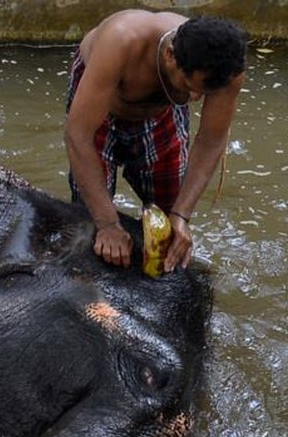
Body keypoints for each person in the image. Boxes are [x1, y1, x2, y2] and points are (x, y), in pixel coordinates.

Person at [64, 12, 247, 272]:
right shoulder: (122, 41)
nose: (195, 98)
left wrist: (181, 215)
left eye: (204, 93)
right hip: (100, 112)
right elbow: (78, 136)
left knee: (168, 229)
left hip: (162, 112)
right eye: (189, 85)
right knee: (91, 222)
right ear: (170, 55)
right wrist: (107, 225)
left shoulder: (228, 72)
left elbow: (210, 141)